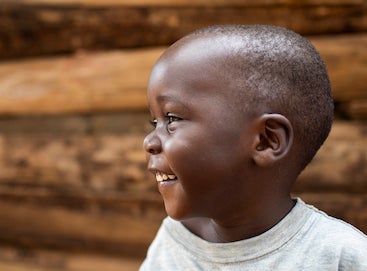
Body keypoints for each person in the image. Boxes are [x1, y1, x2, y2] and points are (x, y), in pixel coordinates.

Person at [140, 25, 367, 270]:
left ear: (266, 140)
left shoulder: (340, 256)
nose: (149, 141)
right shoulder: (173, 243)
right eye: (155, 122)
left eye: (172, 118)